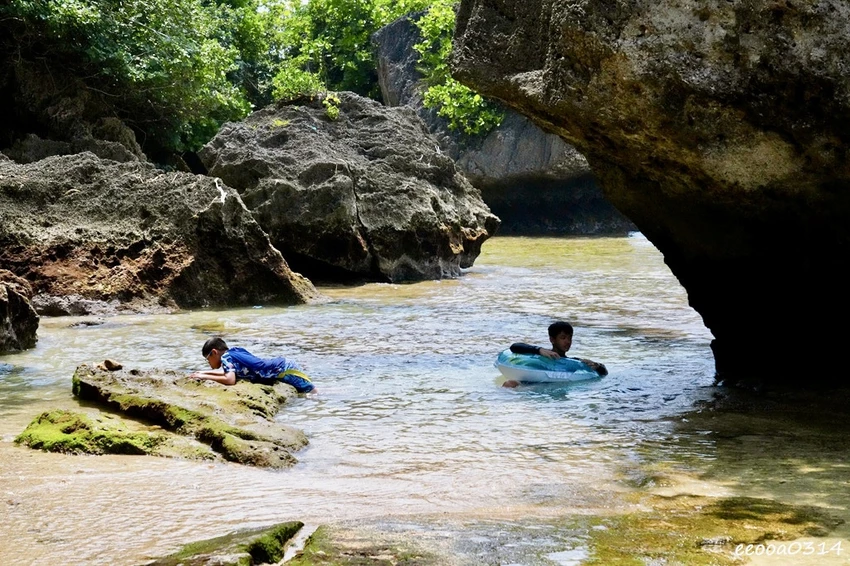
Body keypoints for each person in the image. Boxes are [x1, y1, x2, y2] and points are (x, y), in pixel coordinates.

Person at [189, 337, 315, 393]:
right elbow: (226, 373)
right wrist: (202, 373)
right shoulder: (234, 352)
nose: (208, 363)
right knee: (310, 393)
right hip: (285, 365)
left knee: (313, 394)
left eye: (207, 359)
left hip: (285, 370)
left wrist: (205, 377)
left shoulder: (226, 358)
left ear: (214, 352)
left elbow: (230, 379)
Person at [504, 321, 607, 387]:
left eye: (570, 338)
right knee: (509, 383)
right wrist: (538, 349)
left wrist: (597, 366)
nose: (568, 342)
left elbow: (604, 373)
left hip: (557, 389)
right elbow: (514, 347)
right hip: (533, 384)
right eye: (563, 338)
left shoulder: (573, 362)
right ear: (552, 339)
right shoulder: (541, 355)